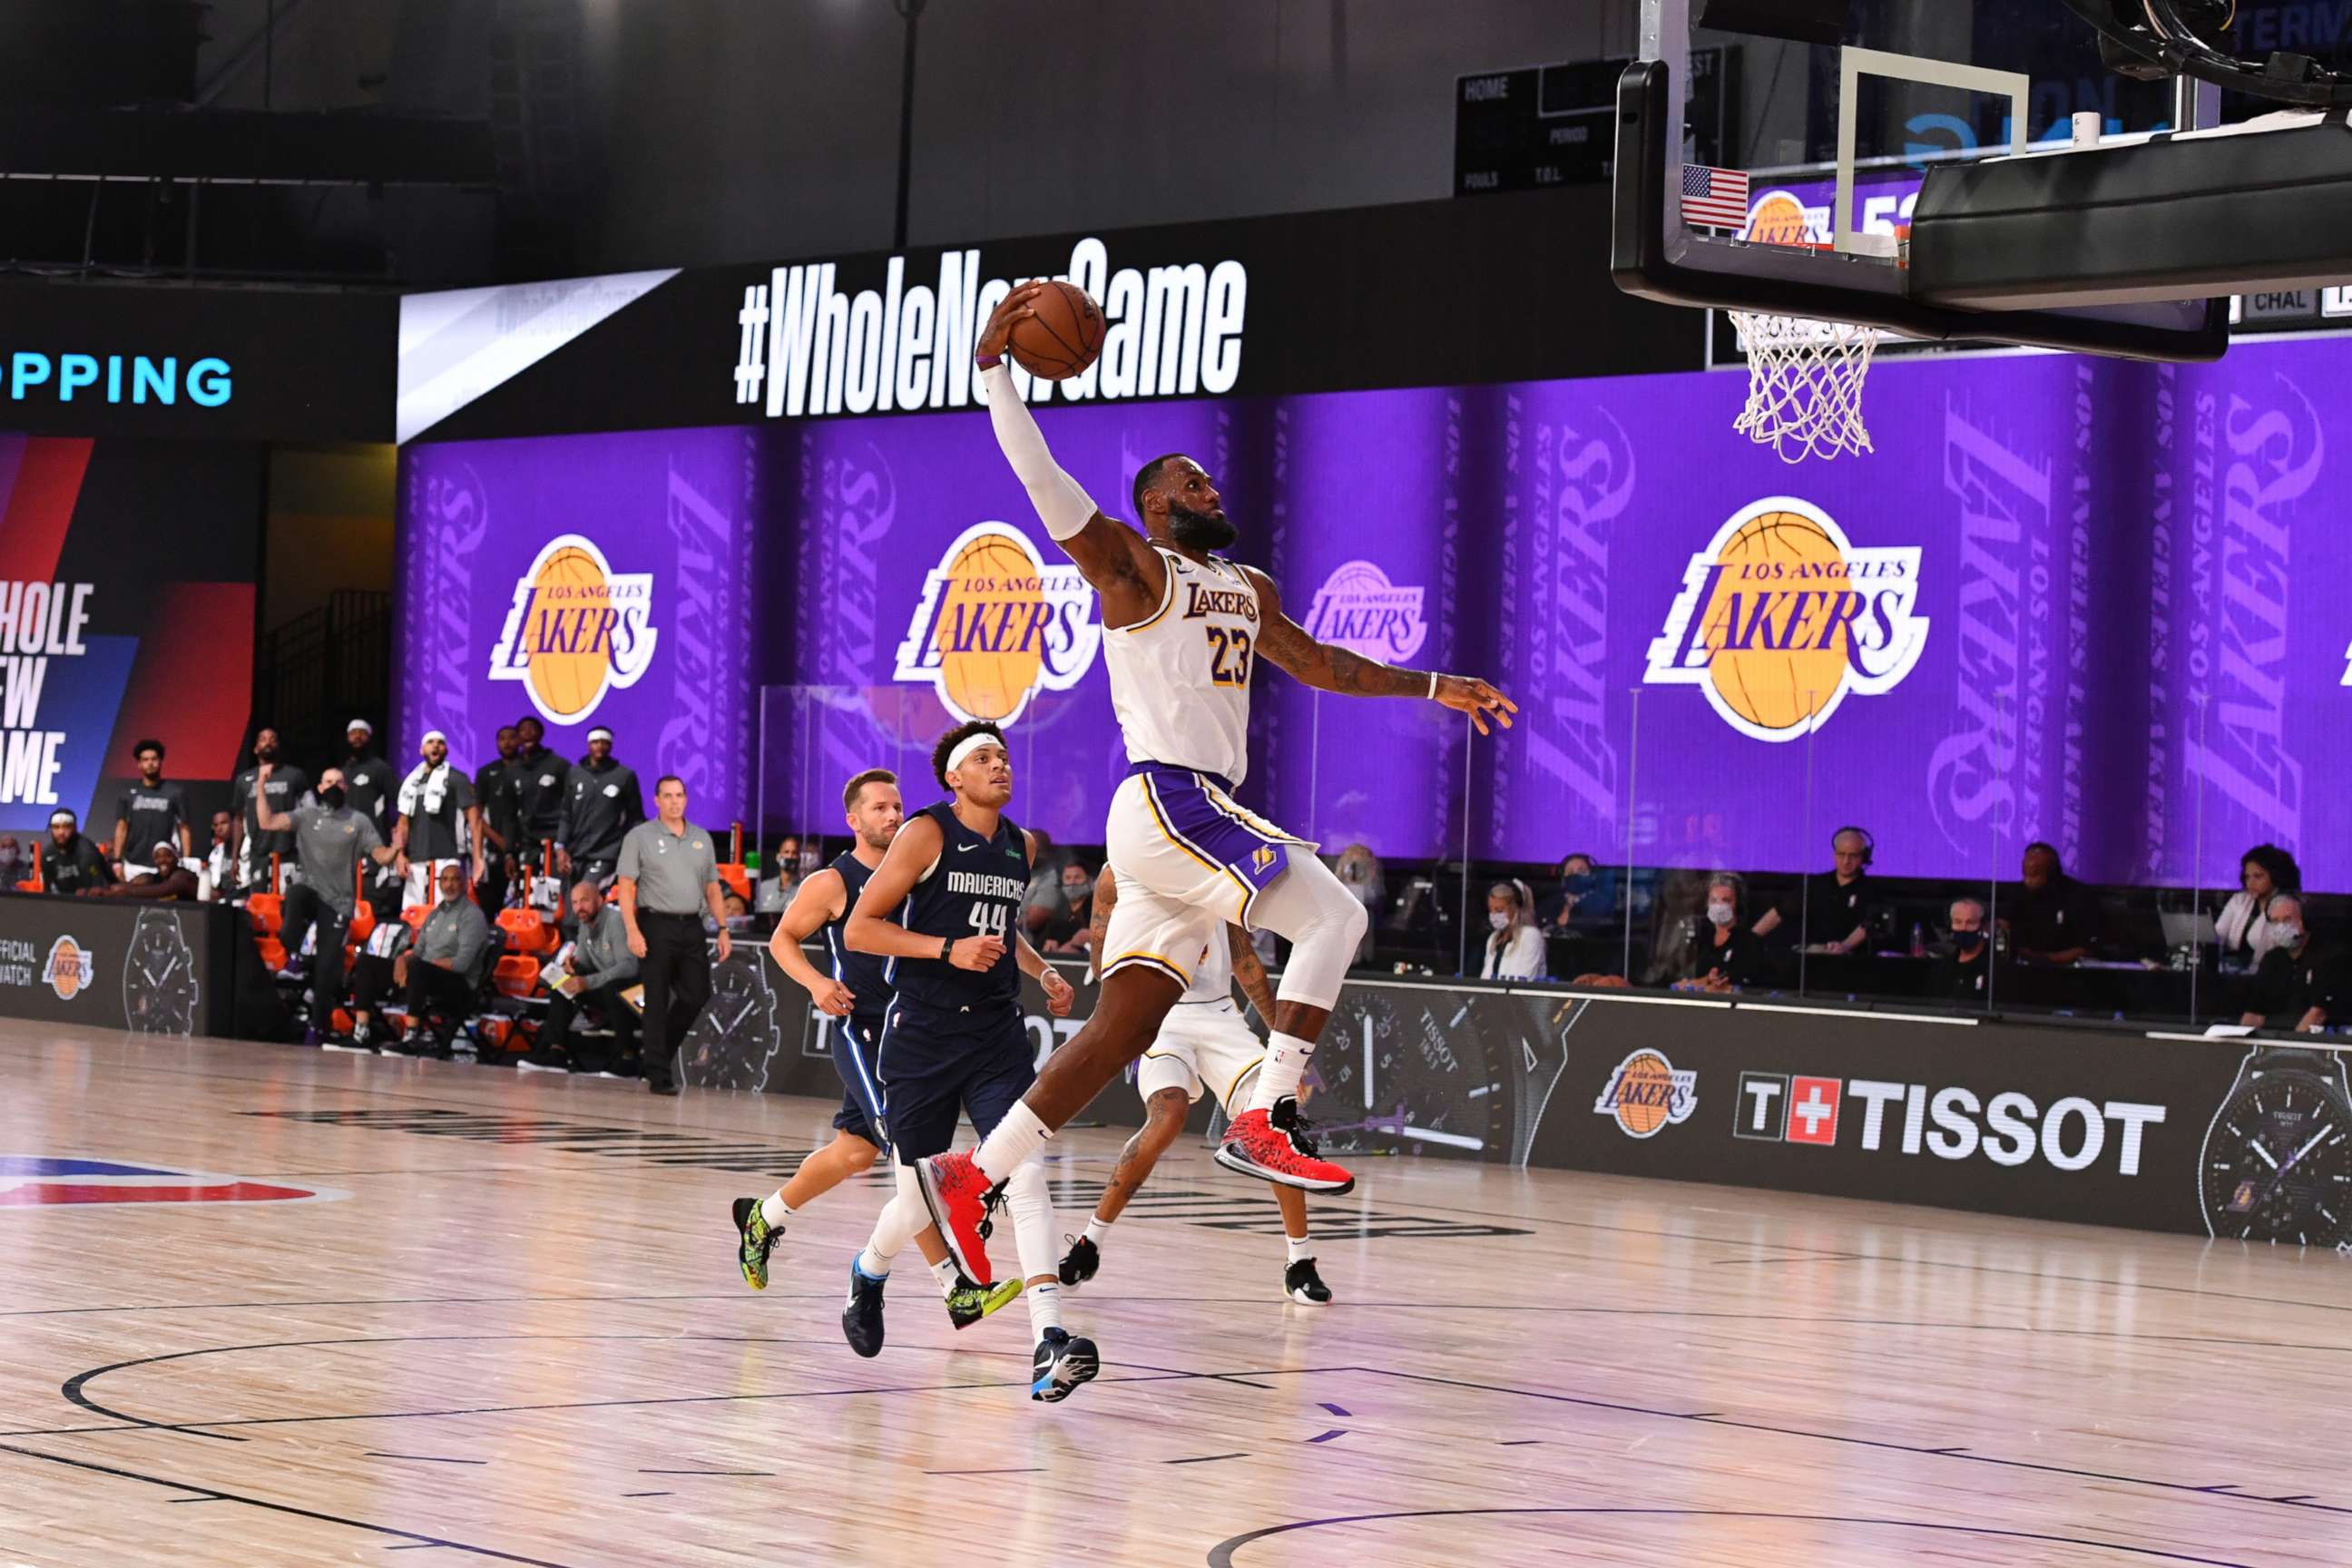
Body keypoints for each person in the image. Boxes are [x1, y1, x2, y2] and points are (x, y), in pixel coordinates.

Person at [915, 286, 1515, 1297]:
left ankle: (978, 1176)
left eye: (1207, 477)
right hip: (1170, 798)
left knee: (1123, 1029)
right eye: (1192, 480)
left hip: (1178, 825)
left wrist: (1435, 685)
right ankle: (1267, 1114)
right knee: (1331, 910)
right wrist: (993, 372)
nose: (1209, 484)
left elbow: (1325, 664)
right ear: (1157, 504)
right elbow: (1042, 478)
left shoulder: (1248, 588)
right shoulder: (1133, 568)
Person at [730, 767, 1024, 1334]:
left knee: (854, 1153)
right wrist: (816, 983)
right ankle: (954, 1286)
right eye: (880, 808)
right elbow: (781, 938)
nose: (893, 815)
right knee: (904, 1153)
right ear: (854, 820)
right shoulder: (834, 881)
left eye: (897, 806)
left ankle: (762, 1218)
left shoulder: (921, 869)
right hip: (862, 1027)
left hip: (913, 1026)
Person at [841, 721, 1085, 1397]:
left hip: (995, 1038)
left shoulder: (1020, 843)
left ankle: (1048, 1338)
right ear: (954, 776)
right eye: (983, 758)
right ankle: (869, 1270)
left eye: (1003, 756)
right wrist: (946, 951)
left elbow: (1001, 926)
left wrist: (1038, 971)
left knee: (1027, 1173)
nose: (999, 766)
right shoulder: (925, 833)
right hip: (922, 1035)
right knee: (918, 1195)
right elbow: (863, 928)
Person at [1058, 864, 1332, 1305]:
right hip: (1158, 1014)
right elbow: (1101, 960)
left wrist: (1287, 1054)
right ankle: (1089, 1243)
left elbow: (1245, 963)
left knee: (1274, 1125)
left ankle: (1300, 1261)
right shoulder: (1116, 873)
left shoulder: (1218, 863)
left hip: (1219, 1013)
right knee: (1167, 1116)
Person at [254, 762, 399, 1047]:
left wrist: (396, 847)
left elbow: (381, 857)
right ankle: (294, 953)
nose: (333, 786)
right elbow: (266, 822)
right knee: (296, 891)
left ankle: (318, 1027)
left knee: (328, 970)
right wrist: (260, 785)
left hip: (339, 903)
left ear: (345, 788)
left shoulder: (358, 821)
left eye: (338, 782)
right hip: (310, 892)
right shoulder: (307, 815)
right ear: (319, 788)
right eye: (327, 781)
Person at [613, 775, 732, 1096]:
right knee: (656, 999)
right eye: (667, 796)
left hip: (692, 924)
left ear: (686, 798)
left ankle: (656, 1057)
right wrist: (632, 929)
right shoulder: (640, 837)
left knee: (697, 994)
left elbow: (712, 888)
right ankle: (659, 1075)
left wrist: (722, 928)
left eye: (679, 795)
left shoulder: (701, 838)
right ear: (656, 800)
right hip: (656, 924)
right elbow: (626, 888)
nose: (674, 801)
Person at [525, 879, 641, 1073]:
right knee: (564, 983)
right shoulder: (585, 925)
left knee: (613, 986)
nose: (579, 907)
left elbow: (629, 968)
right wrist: (573, 966)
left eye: (584, 901)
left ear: (599, 900)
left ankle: (627, 1057)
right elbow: (585, 962)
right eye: (575, 902)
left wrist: (587, 982)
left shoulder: (616, 922)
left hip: (637, 995)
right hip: (608, 993)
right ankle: (557, 1052)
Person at [392, 862, 494, 1056]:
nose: (449, 885)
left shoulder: (472, 916)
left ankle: (411, 1037)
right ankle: (361, 1031)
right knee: (369, 963)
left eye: (455, 879)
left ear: (465, 884)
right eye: (445, 880)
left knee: (418, 969)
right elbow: (418, 951)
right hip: (425, 975)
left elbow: (461, 964)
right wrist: (402, 961)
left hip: (459, 984)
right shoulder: (434, 915)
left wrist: (416, 966)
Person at [392, 729, 482, 906]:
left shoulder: (457, 778)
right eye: (430, 742)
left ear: (446, 750)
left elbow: (475, 819)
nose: (435, 745)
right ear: (421, 750)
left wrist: (478, 859)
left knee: (446, 915)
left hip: (447, 858)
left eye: (440, 742)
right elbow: (403, 822)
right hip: (416, 860)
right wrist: (399, 855)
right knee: (412, 916)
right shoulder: (411, 782)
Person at [1753, 826, 1876, 955]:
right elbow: (1779, 912)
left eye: (1853, 856)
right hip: (1808, 955)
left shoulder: (1869, 890)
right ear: (1834, 854)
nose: (1846, 861)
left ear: (1864, 857)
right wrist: (1750, 940)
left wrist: (1845, 946)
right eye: (1841, 854)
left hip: (1846, 958)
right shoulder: (1815, 884)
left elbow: (1867, 925)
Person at [555, 725, 644, 888]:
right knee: (572, 906)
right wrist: (561, 847)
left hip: (607, 852)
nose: (600, 746)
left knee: (587, 894)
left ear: (611, 746)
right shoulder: (574, 774)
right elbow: (566, 814)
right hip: (577, 852)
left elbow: (636, 818)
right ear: (588, 745)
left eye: (605, 742)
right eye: (595, 742)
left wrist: (631, 850)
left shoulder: (624, 776)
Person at [2239, 894, 2337, 1033]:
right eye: (2275, 921)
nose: (2281, 926)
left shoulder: (2328, 958)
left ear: (2305, 921)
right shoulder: (2271, 960)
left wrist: (2288, 1049)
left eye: (2287, 919)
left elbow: (2318, 1014)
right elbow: (2254, 1013)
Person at [229, 728, 309, 892]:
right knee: (259, 907)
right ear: (256, 748)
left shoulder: (295, 775)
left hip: (289, 852)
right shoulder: (244, 780)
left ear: (278, 745)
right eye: (263, 739)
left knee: (287, 905)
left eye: (273, 739)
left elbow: (310, 813)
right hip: (259, 853)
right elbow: (238, 819)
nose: (268, 742)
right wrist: (234, 857)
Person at [1671, 873, 1769, 993]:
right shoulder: (1701, 937)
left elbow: (1746, 986)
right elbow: (1682, 982)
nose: (1719, 906)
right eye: (1714, 900)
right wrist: (1706, 980)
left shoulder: (1749, 942)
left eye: (1726, 900)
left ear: (1738, 905)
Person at [2008, 841, 2100, 965]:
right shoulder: (2018, 893)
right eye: (2025, 874)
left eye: (2034, 875)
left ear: (2051, 874)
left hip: (2068, 972)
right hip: (2024, 969)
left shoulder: (2079, 896)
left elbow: (2088, 948)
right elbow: (2004, 928)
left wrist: (2047, 959)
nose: (2027, 881)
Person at [111, 739, 191, 873]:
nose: (150, 763)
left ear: (161, 762)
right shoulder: (128, 793)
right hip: (133, 863)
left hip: (165, 864)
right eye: (145, 760)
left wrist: (187, 860)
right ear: (139, 764)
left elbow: (184, 827)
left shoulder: (175, 793)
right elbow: (121, 827)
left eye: (154, 759)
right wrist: (117, 860)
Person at [505, 716, 571, 879]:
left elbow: (572, 805)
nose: (527, 734)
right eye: (522, 731)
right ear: (518, 738)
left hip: (556, 839)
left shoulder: (559, 765)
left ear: (541, 734)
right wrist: (508, 852)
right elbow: (509, 814)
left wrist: (566, 839)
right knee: (528, 892)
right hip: (528, 841)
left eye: (532, 729)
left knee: (556, 891)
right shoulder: (512, 770)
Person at [2216, 844, 2301, 968]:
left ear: (2275, 875)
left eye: (2258, 876)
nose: (2250, 882)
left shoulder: (2286, 906)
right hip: (2231, 971)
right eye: (2247, 877)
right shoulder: (2239, 900)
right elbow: (2218, 934)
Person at [475, 724, 524, 910]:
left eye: (512, 737)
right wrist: (503, 842)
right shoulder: (486, 772)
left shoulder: (529, 770)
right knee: (489, 906)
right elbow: (476, 816)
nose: (507, 742)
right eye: (502, 738)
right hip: (494, 852)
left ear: (519, 740)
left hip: (526, 850)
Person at [1480, 878, 1547, 980]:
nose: (1494, 915)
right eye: (1491, 910)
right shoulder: (1493, 939)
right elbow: (1485, 979)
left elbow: (1524, 981)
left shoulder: (1530, 936)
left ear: (1516, 908)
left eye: (1499, 910)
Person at [85, 841, 200, 900]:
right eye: (157, 857)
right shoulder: (153, 877)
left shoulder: (183, 876)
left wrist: (111, 894)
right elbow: (128, 885)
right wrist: (102, 889)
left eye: (168, 856)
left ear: (176, 858)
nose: (162, 860)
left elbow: (161, 890)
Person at [1932, 897, 1993, 1004]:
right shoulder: (1944, 967)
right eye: (1958, 922)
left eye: (1970, 923)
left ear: (1983, 926)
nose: (1963, 928)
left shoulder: (1993, 967)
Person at [37, 809, 113, 895]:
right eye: (56, 827)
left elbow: (99, 887)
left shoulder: (88, 853)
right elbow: (47, 890)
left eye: (66, 827)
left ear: (75, 828)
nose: (61, 832)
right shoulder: (48, 856)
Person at [337, 720, 395, 829]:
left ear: (370, 738)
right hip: (346, 833)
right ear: (347, 738)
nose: (357, 736)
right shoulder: (343, 771)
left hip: (372, 834)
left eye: (362, 733)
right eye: (353, 733)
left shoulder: (380, 768)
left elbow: (399, 799)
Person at [1542, 852, 1615, 930]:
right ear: (1563, 878)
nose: (1576, 875)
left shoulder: (1601, 904)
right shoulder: (1550, 903)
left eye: (1582, 871)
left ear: (1592, 876)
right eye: (1570, 872)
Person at [1039, 861, 1096, 955]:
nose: (1072, 882)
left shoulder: (1095, 908)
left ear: (1089, 881)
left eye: (1077, 877)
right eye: (1068, 878)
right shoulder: (1059, 911)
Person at [201, 810, 237, 901]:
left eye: (223, 823)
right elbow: (214, 882)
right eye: (216, 825)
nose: (219, 828)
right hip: (222, 900)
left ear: (234, 823)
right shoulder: (215, 852)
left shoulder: (247, 846)